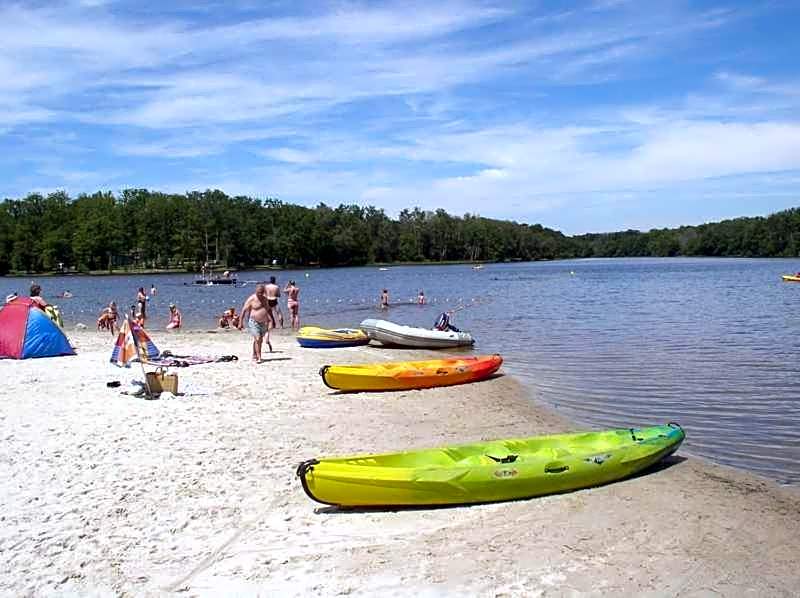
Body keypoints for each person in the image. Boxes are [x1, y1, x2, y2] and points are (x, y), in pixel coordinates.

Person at [238, 283, 272, 362]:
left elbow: (268, 310)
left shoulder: (265, 299)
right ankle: (259, 357)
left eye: (261, 292)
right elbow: (243, 310)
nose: (260, 294)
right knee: (258, 338)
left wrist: (271, 320)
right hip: (254, 322)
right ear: (256, 291)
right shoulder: (251, 299)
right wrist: (240, 322)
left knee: (259, 340)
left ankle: (254, 354)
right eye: (258, 292)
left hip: (263, 322)